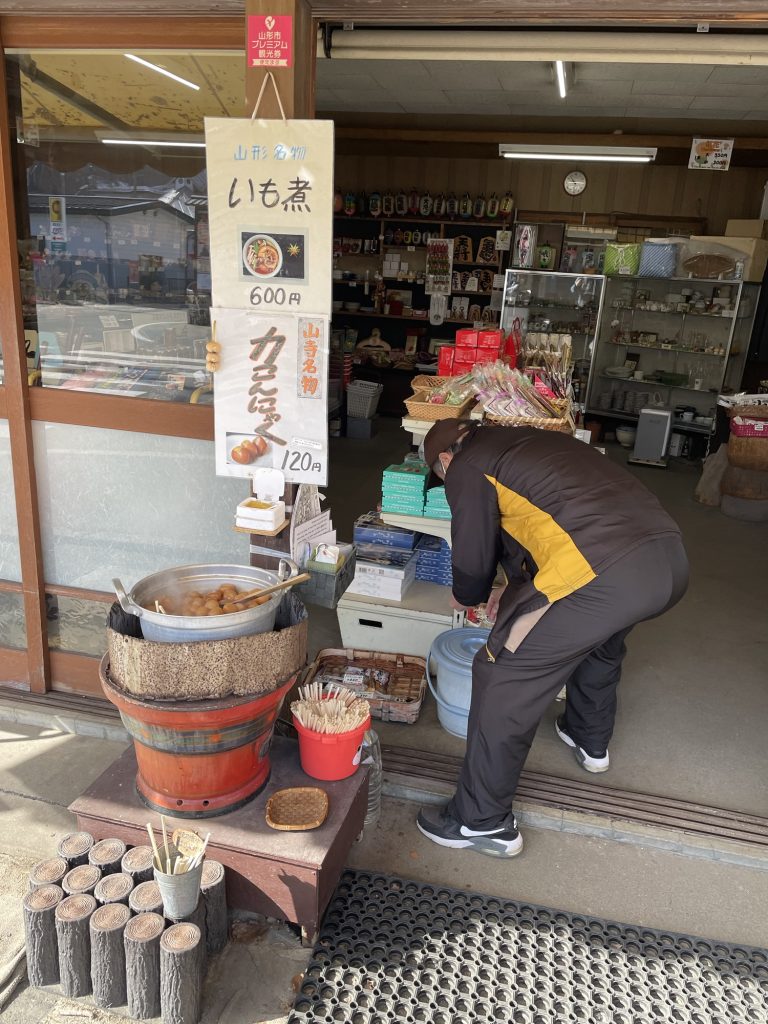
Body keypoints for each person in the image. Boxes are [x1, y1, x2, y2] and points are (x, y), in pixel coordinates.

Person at [416, 420, 689, 858]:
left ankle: (481, 822)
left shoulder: (467, 465)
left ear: (445, 460)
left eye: (442, 475)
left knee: (502, 672)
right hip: (666, 562)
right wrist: (515, 588)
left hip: (604, 573)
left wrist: (468, 593)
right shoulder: (532, 442)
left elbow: (473, 549)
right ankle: (588, 737)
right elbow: (551, 528)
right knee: (600, 641)